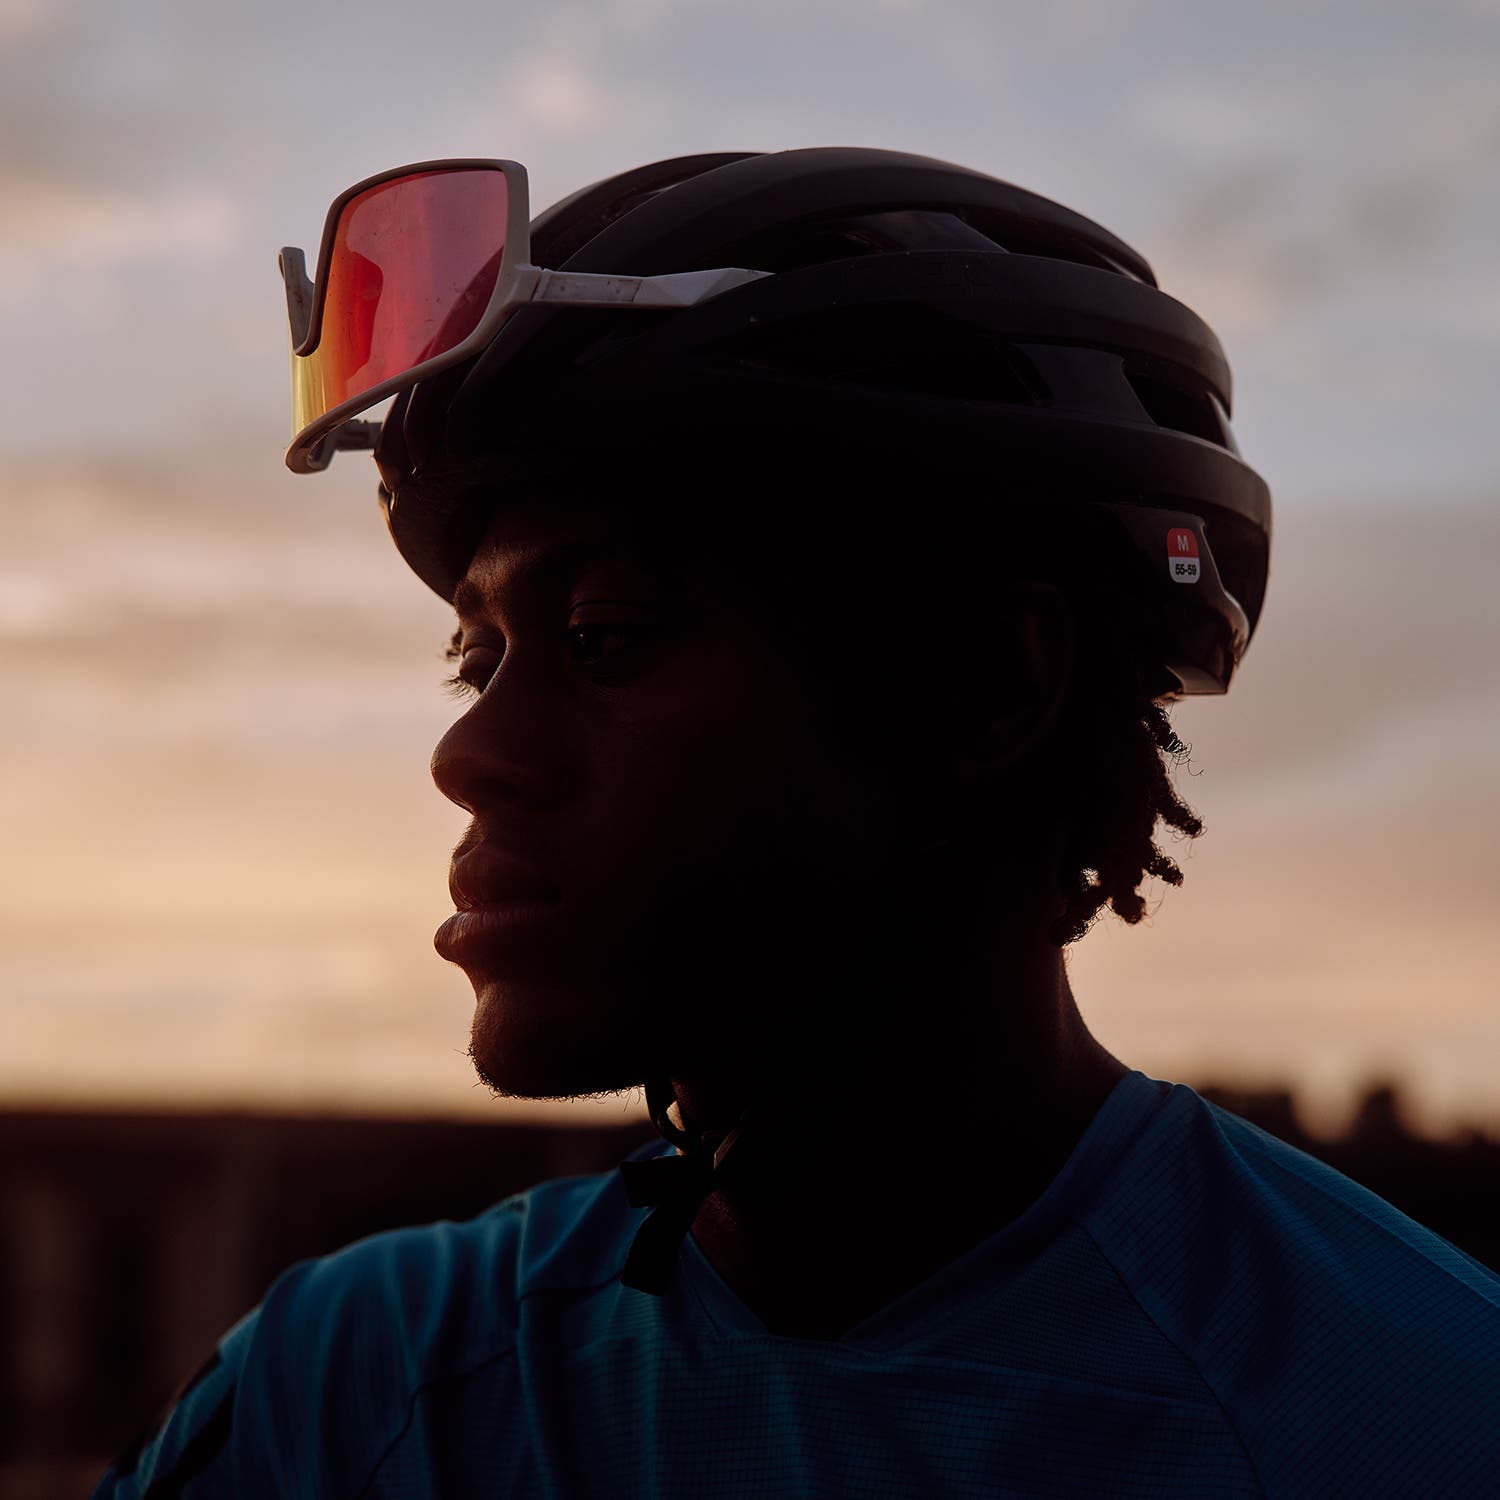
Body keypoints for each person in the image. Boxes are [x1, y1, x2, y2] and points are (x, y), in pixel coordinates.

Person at [93, 148, 1498, 1499]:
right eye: (477, 660)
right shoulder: (348, 1388)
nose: (472, 755)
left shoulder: (1415, 1415)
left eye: (607, 638)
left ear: (995, 683)